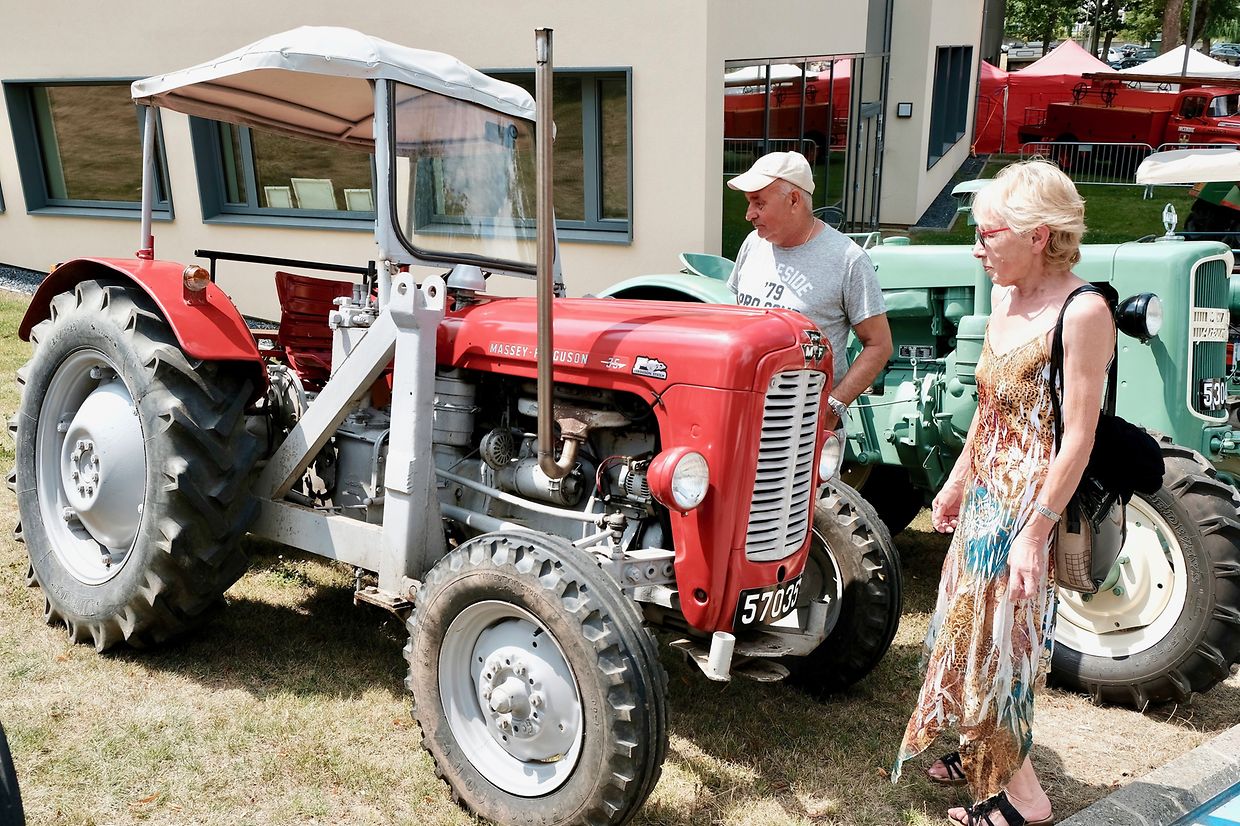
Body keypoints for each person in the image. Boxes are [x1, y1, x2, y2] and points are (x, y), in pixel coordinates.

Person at [891, 160, 1114, 826]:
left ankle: (1025, 804)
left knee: (1003, 653)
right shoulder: (1004, 298)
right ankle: (977, 751)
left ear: (1039, 236)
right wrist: (957, 483)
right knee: (963, 635)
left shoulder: (1084, 311)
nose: (976, 248)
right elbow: (990, 410)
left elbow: (1079, 437)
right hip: (986, 503)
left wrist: (1035, 533)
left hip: (1029, 508)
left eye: (988, 234)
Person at [726, 151, 891, 430]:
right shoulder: (753, 244)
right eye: (749, 203)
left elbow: (879, 345)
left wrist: (833, 407)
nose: (749, 214)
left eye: (759, 203)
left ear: (794, 200)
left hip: (805, 428)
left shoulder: (848, 260)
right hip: (744, 414)